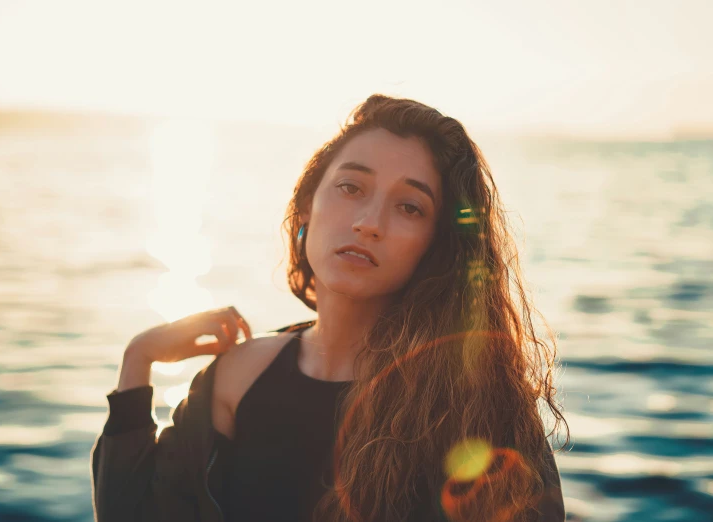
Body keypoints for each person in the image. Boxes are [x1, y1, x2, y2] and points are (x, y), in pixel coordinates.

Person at [91, 94, 568, 522]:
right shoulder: (236, 378)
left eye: (409, 207)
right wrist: (139, 360)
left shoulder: (474, 404)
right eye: (351, 188)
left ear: (437, 246)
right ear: (305, 207)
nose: (368, 223)